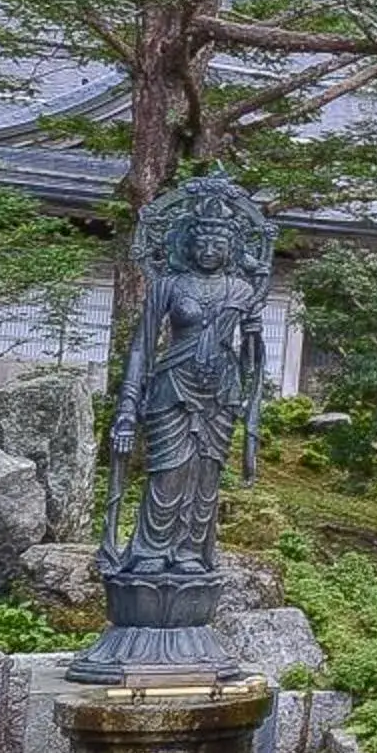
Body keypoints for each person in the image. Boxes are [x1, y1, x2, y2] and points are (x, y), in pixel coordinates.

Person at [106, 203, 269, 579]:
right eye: (203, 240)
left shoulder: (242, 290)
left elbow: (252, 359)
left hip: (221, 392)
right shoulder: (168, 285)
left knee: (206, 476)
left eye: (220, 241)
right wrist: (127, 411)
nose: (210, 248)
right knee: (168, 471)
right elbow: (141, 348)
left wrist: (253, 337)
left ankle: (191, 550)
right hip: (172, 386)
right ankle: (151, 548)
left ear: (232, 248)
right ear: (187, 243)